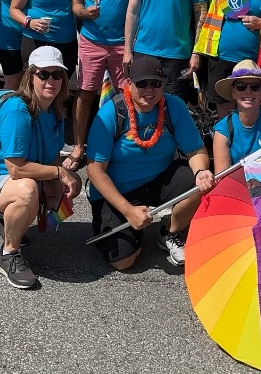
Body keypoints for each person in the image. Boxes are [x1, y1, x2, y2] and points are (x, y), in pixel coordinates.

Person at [0, 47, 81, 289]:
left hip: (7, 181)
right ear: (30, 76)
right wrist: (58, 173)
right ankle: (8, 254)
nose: (51, 80)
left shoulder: (55, 112)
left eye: (57, 75)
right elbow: (16, 169)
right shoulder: (17, 110)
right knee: (27, 191)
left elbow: (52, 159)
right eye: (43, 74)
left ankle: (8, 218)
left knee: (68, 183)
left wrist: (63, 183)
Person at [86, 56, 214, 270]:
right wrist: (128, 211)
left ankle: (169, 232)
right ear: (129, 83)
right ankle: (129, 226)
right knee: (123, 261)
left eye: (155, 83)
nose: (149, 89)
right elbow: (95, 170)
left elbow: (195, 149)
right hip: (119, 191)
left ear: (163, 83)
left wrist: (201, 171)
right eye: (142, 83)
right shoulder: (112, 112)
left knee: (198, 184)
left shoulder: (174, 106)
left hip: (159, 178)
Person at [69, 0, 141, 171]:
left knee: (126, 97)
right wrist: (84, 12)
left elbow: (138, 2)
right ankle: (79, 146)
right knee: (86, 94)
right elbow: (75, 3)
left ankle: (123, 144)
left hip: (123, 43)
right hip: (91, 41)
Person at [211, 60, 261, 170]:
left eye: (255, 86)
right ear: (233, 92)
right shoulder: (222, 130)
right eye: (241, 86)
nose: (248, 91)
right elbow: (223, 178)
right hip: (239, 185)